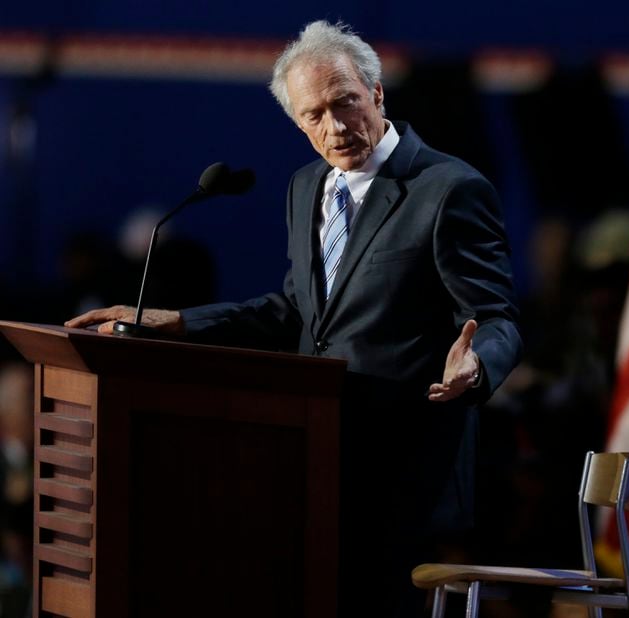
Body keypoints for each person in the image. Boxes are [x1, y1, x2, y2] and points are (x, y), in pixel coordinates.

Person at [67, 20, 522, 617]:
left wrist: (478, 369)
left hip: (405, 465)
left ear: (377, 93)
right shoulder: (306, 187)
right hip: (313, 457)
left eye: (346, 103)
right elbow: (295, 312)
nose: (334, 128)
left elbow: (496, 318)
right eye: (313, 116)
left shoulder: (448, 188)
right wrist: (177, 323)